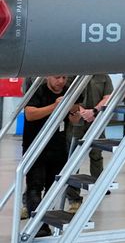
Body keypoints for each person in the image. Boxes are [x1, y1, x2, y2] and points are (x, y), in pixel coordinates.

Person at [23, 75, 81, 226]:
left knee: (53, 188)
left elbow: (74, 118)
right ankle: (37, 226)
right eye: (57, 77)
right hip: (35, 146)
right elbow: (29, 114)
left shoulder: (69, 92)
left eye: (64, 78)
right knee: (35, 186)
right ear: (48, 76)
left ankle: (46, 221)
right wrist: (55, 107)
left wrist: (75, 114)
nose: (61, 81)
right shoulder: (37, 90)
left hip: (58, 146)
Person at [66, 74, 113, 211]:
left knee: (97, 155)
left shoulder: (103, 76)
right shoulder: (72, 73)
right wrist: (81, 112)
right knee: (73, 159)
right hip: (76, 120)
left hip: (96, 120)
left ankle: (98, 187)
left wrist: (93, 111)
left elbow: (108, 96)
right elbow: (67, 96)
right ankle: (74, 198)